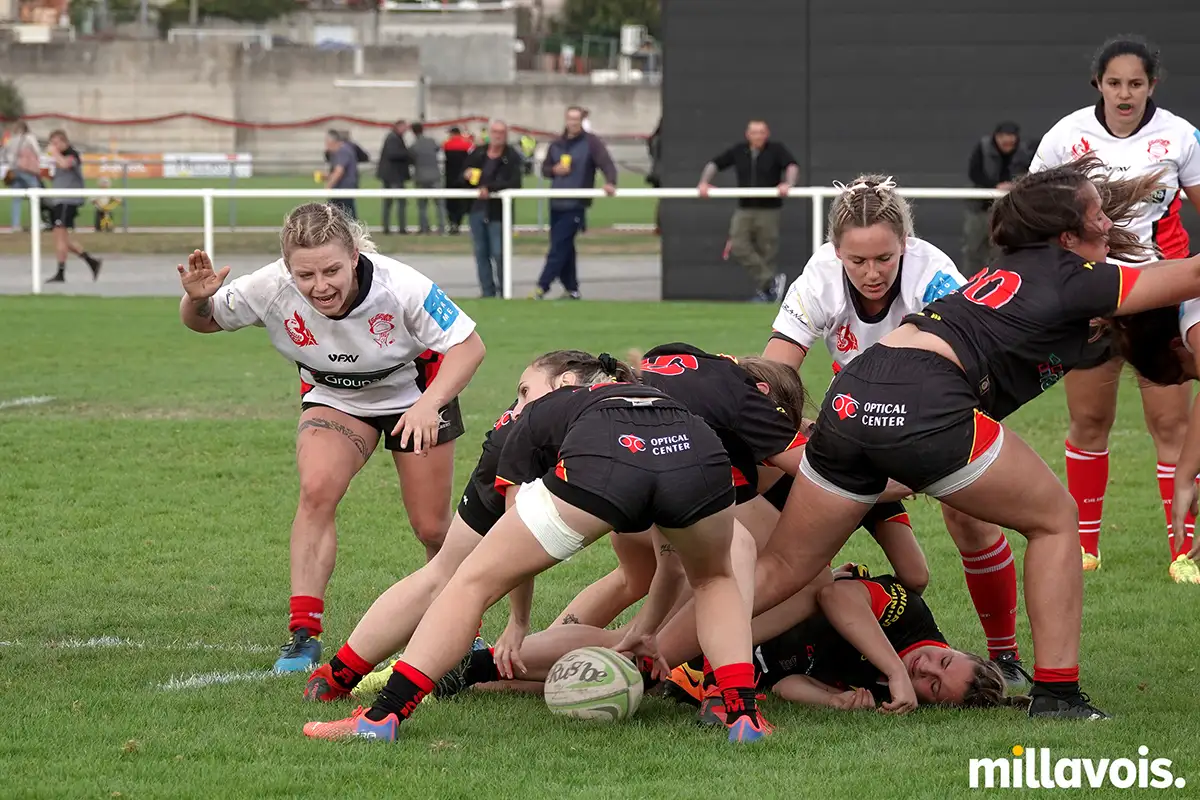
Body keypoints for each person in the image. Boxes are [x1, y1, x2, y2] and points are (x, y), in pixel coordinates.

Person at [649, 152, 1200, 722]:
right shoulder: (1072, 275)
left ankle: (645, 660)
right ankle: (1057, 695)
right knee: (1056, 518)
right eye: (1096, 214)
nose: (1109, 223)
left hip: (854, 393)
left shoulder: (1029, 270)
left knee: (785, 567)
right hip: (924, 400)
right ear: (1065, 235)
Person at [303, 360, 773, 743]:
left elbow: (511, 539)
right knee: (716, 580)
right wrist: (646, 630)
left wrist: (519, 623)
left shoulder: (543, 414)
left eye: (525, 390)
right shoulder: (665, 398)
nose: (519, 403)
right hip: (696, 455)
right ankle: (743, 718)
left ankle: (381, 718)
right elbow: (674, 561)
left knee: (470, 581)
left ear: (566, 384)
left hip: (607, 458)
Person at [175, 202, 486, 673]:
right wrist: (196, 299)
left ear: (355, 254)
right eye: (305, 275)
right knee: (317, 489)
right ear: (287, 268)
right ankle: (303, 635)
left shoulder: (401, 286)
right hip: (335, 396)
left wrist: (429, 405)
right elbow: (204, 319)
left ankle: (465, 632)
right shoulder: (270, 286)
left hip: (415, 393)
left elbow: (469, 346)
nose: (320, 286)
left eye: (332, 270)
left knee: (432, 528)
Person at [763, 174, 1027, 687]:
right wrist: (795, 429)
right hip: (856, 428)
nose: (872, 272)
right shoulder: (818, 275)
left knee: (967, 516)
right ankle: (734, 648)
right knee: (786, 530)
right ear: (835, 251)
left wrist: (919, 472)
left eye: (884, 258)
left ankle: (1006, 656)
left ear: (905, 245)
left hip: (936, 415)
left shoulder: (935, 276)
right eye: (856, 261)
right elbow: (775, 378)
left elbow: (974, 379)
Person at [1028, 36, 1200, 578]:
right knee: (1090, 419)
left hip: (1163, 297)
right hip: (1093, 295)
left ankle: (1183, 553)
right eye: (1114, 83)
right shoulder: (1064, 136)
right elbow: (1032, 214)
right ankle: (1084, 548)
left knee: (1170, 424)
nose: (1125, 94)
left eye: (1136, 83)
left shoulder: (1180, 136)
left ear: (1152, 85)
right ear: (1098, 84)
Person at [1110, 305, 1200, 582]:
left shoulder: (1195, 330)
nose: (1193, 378)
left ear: (1176, 345)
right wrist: (1184, 477)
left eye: (1183, 375)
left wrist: (1184, 477)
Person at [698, 120, 799, 302]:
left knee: (767, 250)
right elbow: (715, 163)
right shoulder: (739, 150)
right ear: (748, 134)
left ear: (767, 134)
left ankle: (767, 294)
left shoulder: (776, 149)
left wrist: (788, 183)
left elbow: (791, 165)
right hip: (745, 208)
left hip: (769, 209)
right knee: (738, 245)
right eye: (754, 132)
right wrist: (704, 182)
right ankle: (770, 282)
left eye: (761, 132)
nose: (758, 136)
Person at [532, 106, 618, 301]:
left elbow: (606, 163)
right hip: (556, 202)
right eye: (570, 119)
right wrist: (555, 169)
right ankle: (572, 289)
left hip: (576, 203)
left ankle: (541, 286)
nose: (573, 123)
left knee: (558, 246)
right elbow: (545, 169)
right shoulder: (557, 144)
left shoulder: (591, 142)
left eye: (576, 119)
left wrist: (611, 182)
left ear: (581, 121)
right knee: (565, 247)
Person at [962, 121, 1034, 274]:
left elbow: (1030, 174)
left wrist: (1014, 185)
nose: (1007, 142)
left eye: (1011, 137)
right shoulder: (983, 148)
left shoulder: (1024, 151)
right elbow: (974, 173)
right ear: (996, 137)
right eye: (1003, 137)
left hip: (1009, 210)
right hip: (980, 208)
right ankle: (968, 284)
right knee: (974, 248)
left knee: (1002, 251)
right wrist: (996, 185)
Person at [463, 119, 523, 298]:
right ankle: (487, 292)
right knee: (481, 252)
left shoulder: (511, 156)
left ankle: (504, 291)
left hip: (498, 212)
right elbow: (462, 174)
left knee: (499, 253)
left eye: (501, 133)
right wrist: (466, 175)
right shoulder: (478, 153)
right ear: (490, 134)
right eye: (495, 132)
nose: (498, 136)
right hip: (477, 209)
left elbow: (514, 182)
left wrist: (490, 188)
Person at [44, 130, 101, 283]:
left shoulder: (72, 154)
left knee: (60, 237)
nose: (54, 147)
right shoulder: (58, 158)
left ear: (64, 142)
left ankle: (61, 273)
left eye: (56, 143)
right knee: (60, 238)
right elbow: (57, 175)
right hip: (59, 201)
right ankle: (90, 261)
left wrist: (54, 154)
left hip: (68, 201)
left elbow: (66, 164)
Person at [3, 121, 41, 232]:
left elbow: (5, 153)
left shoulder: (11, 139)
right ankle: (36, 223)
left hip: (15, 169)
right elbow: (37, 151)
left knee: (16, 199)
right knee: (35, 196)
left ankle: (15, 225)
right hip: (28, 170)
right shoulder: (29, 138)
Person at [409, 122, 444, 235]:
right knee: (439, 204)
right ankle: (442, 227)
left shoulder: (414, 146)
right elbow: (438, 149)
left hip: (421, 177)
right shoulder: (431, 141)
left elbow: (411, 159)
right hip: (435, 175)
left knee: (422, 205)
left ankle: (424, 228)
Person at [377, 120, 411, 235]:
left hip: (391, 175)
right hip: (394, 176)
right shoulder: (393, 138)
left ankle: (388, 227)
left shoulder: (394, 137)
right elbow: (393, 154)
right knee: (397, 202)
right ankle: (399, 228)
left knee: (389, 203)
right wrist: (407, 153)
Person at [442, 127, 474, 234]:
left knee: (451, 202)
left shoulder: (446, 144)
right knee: (462, 202)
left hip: (449, 177)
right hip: (463, 178)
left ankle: (453, 223)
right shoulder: (467, 144)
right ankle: (459, 223)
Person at [323, 130, 360, 221]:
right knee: (341, 212)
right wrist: (328, 176)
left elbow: (339, 171)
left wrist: (328, 186)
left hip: (344, 188)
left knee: (343, 213)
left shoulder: (343, 151)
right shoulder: (339, 152)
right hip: (342, 187)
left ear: (332, 142)